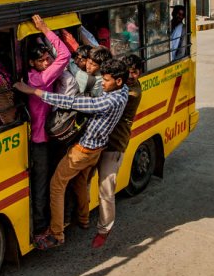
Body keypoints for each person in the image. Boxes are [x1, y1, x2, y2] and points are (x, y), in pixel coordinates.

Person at [14, 59, 129, 249]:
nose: (102, 83)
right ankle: (83, 219)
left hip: (83, 151)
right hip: (97, 149)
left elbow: (73, 101)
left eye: (106, 80)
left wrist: (34, 91)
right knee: (81, 182)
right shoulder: (123, 91)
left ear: (118, 81)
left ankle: (56, 233)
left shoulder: (109, 100)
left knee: (56, 185)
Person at [25, 14, 71, 236]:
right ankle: (42, 225)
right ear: (33, 63)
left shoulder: (30, 75)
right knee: (43, 183)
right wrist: (45, 28)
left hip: (40, 137)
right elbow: (64, 55)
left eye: (47, 58)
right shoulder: (42, 79)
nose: (48, 62)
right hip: (40, 141)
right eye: (42, 60)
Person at [91, 54, 143, 248]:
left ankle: (104, 229)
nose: (131, 75)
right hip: (99, 141)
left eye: (135, 72)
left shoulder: (130, 94)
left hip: (114, 145)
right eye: (128, 71)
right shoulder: (117, 85)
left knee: (106, 188)